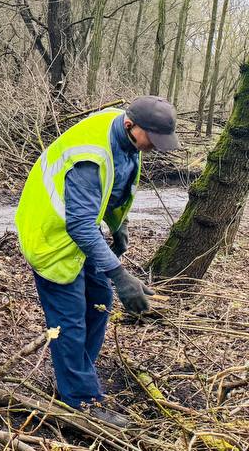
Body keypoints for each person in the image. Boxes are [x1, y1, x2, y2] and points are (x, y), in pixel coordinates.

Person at [14, 96, 176, 427]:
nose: (155, 147)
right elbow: (79, 226)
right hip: (52, 236)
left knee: (100, 301)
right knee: (70, 319)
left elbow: (116, 188)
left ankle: (74, 375)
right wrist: (121, 275)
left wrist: (119, 227)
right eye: (152, 139)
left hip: (79, 230)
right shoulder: (90, 156)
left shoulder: (127, 137)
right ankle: (81, 402)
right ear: (130, 126)